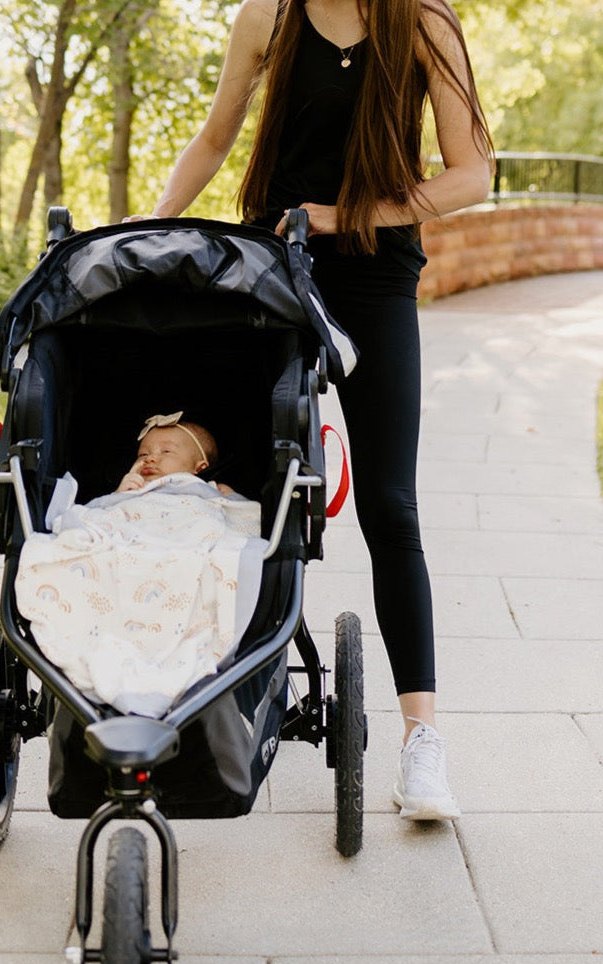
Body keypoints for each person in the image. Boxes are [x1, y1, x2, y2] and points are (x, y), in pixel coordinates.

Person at [130, 0, 494, 820]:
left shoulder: (426, 23)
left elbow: (472, 175)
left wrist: (349, 214)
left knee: (390, 507)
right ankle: (200, 688)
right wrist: (142, 234)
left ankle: (422, 744)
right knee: (242, 485)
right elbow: (216, 138)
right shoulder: (267, 15)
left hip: (373, 273)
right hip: (275, 268)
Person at [117, 413, 235, 496]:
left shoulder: (211, 489)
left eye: (166, 451)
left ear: (199, 467)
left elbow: (243, 514)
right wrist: (119, 494)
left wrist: (227, 496)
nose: (150, 458)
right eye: (143, 454)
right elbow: (105, 512)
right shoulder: (134, 488)